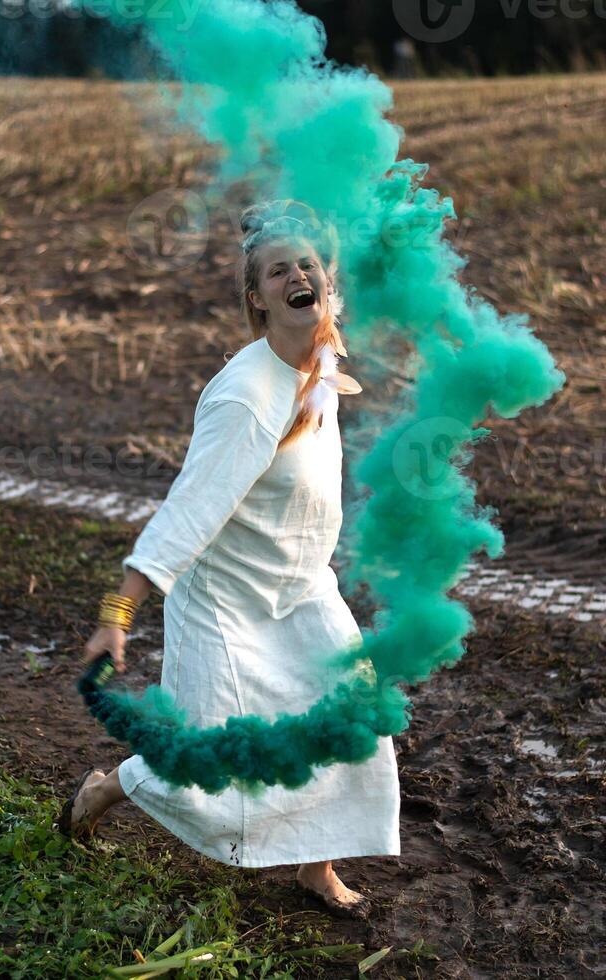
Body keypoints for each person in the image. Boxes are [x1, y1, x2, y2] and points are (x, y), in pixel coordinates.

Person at [57, 200, 401, 916]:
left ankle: (315, 866)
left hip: (303, 586)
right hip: (227, 600)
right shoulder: (246, 399)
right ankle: (102, 790)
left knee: (346, 721)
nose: (298, 277)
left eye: (307, 265)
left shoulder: (321, 356)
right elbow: (186, 511)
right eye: (279, 271)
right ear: (257, 298)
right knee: (201, 762)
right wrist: (118, 612)